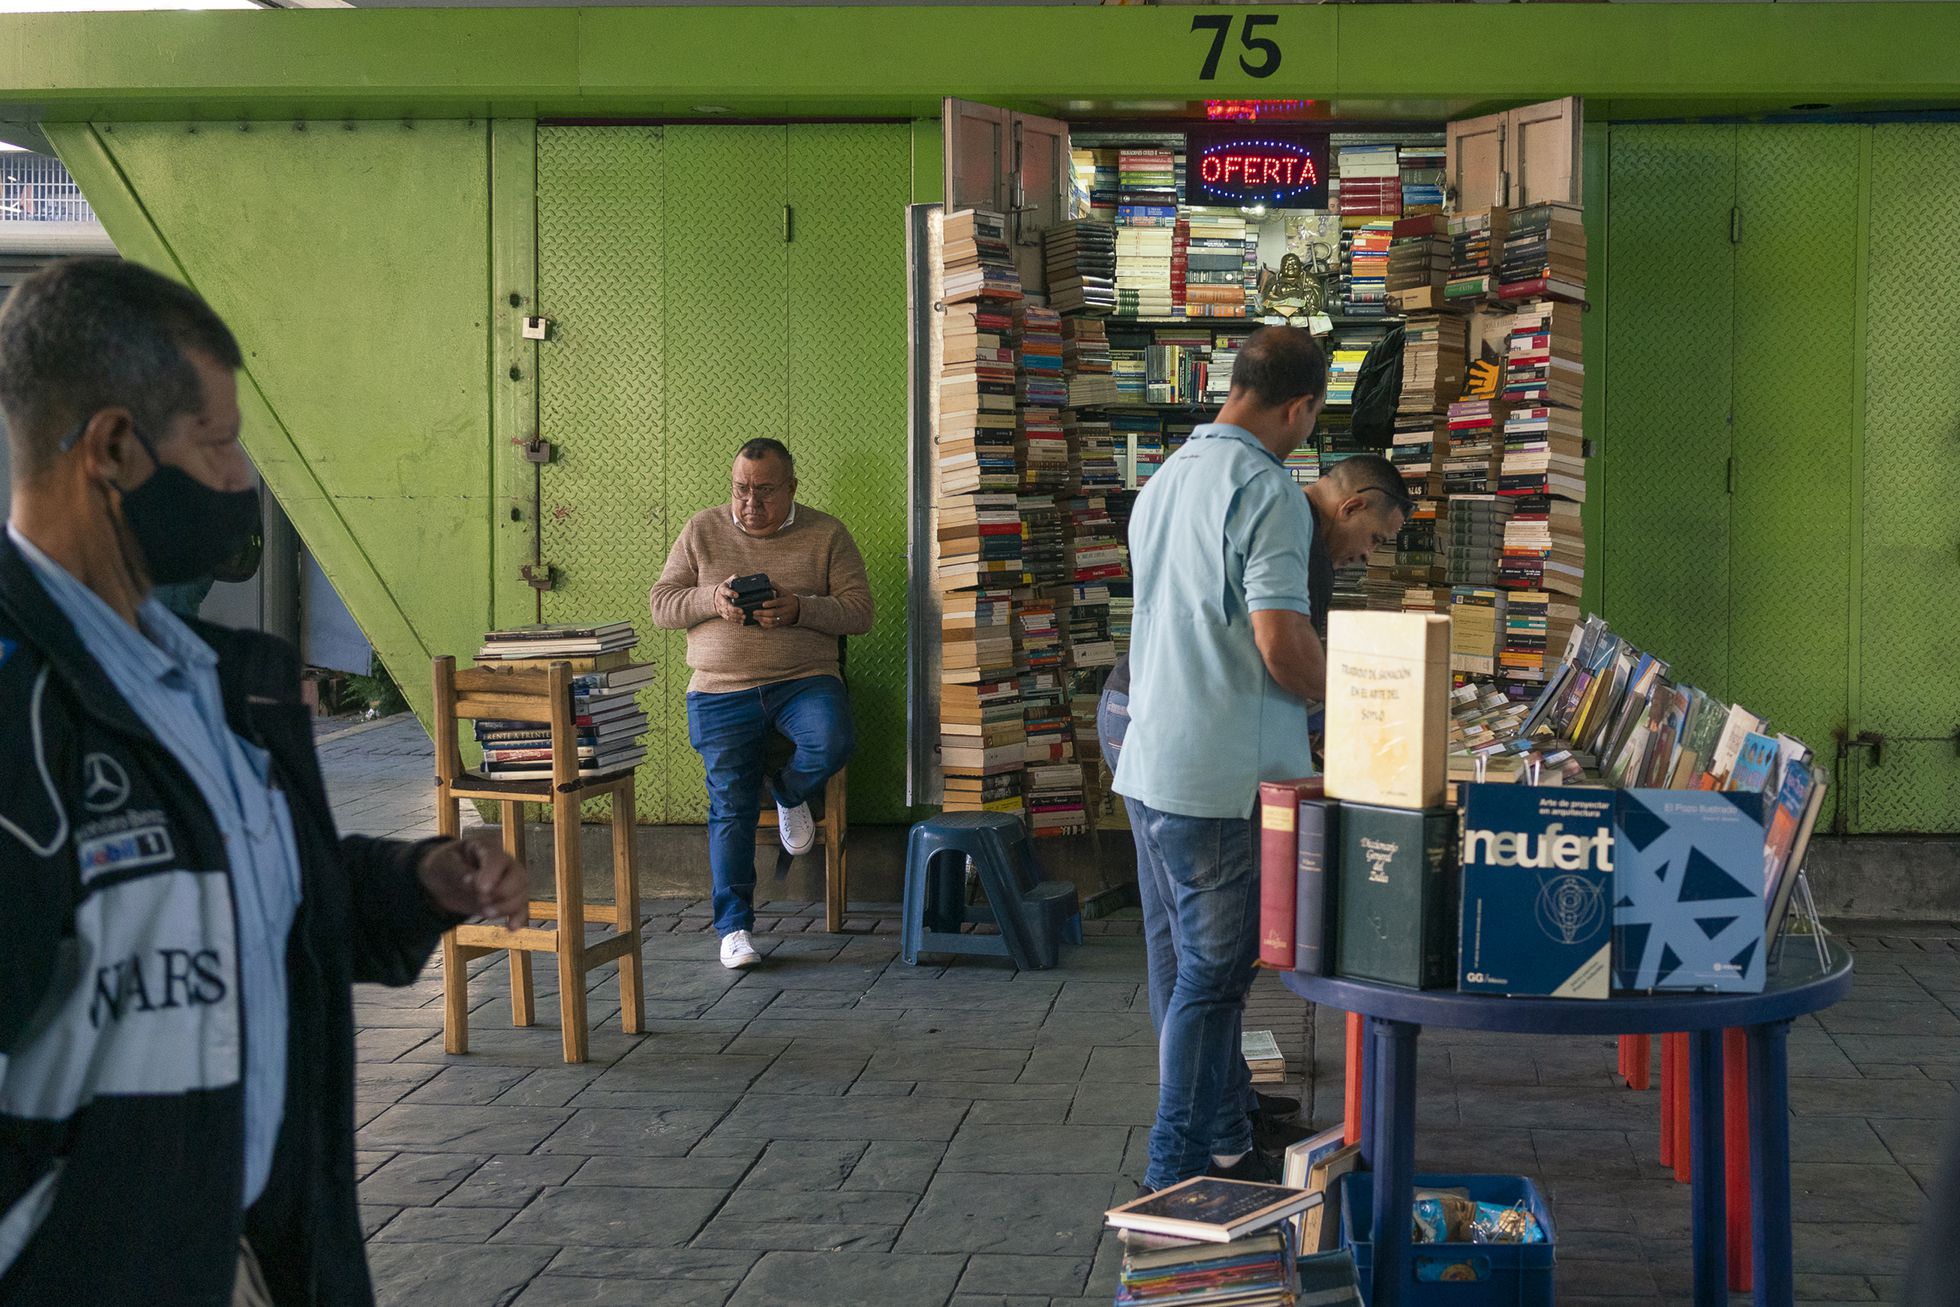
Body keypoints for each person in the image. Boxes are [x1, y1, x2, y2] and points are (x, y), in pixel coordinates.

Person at [0, 258, 529, 1306]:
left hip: (254, 1259)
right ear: (112, 448)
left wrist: (408, 881)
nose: (242, 477)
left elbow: (233, 884)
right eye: (218, 441)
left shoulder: (208, 680)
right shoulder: (22, 709)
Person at [1114, 325, 1390, 1196]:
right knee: (1215, 980)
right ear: (1302, 407)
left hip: (1154, 761)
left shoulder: (1165, 477)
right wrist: (1363, 707)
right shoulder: (1266, 490)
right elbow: (1280, 642)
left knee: (1195, 971)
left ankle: (1230, 1148)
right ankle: (1172, 1168)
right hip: (1221, 774)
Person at [649, 438, 873, 971]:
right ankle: (734, 930)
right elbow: (662, 604)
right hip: (720, 688)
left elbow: (859, 612)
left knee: (833, 740)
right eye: (741, 489)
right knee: (729, 803)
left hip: (803, 679)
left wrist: (799, 609)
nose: (750, 503)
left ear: (792, 488)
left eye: (765, 491)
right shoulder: (701, 529)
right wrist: (712, 599)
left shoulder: (827, 534)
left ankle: (788, 790)